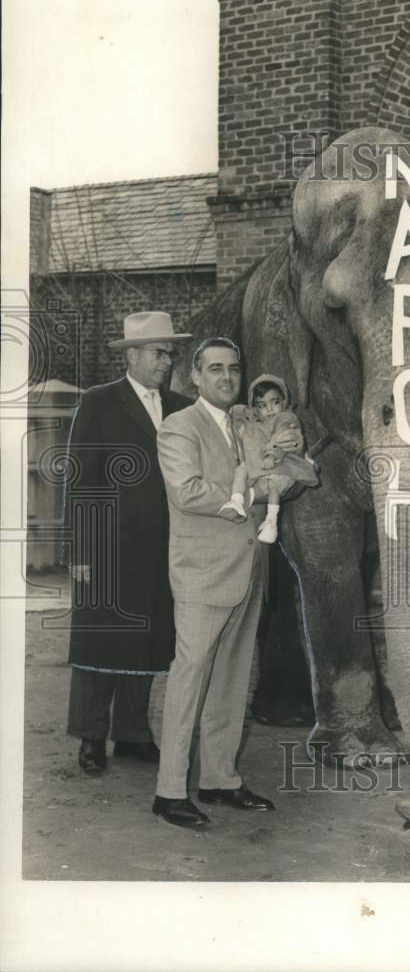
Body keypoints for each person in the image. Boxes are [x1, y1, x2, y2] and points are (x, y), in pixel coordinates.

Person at [152, 337, 302, 828]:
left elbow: (283, 470)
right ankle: (170, 790)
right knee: (190, 676)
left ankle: (219, 779)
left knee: (232, 681)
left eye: (233, 369)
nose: (226, 378)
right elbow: (188, 492)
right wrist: (260, 490)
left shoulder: (247, 423)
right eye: (214, 369)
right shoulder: (179, 426)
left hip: (249, 568)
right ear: (194, 376)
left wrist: (284, 479)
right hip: (202, 573)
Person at [65, 311, 192, 774]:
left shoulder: (181, 406)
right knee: (102, 642)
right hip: (109, 547)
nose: (167, 362)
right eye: (159, 353)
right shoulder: (100, 402)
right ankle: (92, 738)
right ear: (133, 355)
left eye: (170, 355)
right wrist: (82, 553)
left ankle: (133, 735)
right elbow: (81, 481)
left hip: (165, 548)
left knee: (149, 640)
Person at [220, 374, 319, 543]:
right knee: (241, 469)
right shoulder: (258, 421)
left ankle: (271, 521)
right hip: (261, 465)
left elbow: (282, 439)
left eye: (275, 402)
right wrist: (237, 411)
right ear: (257, 408)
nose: (270, 409)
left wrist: (270, 456)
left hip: (283, 463)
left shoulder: (286, 418)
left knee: (274, 485)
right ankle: (236, 500)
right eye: (263, 405)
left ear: (284, 401)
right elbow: (244, 413)